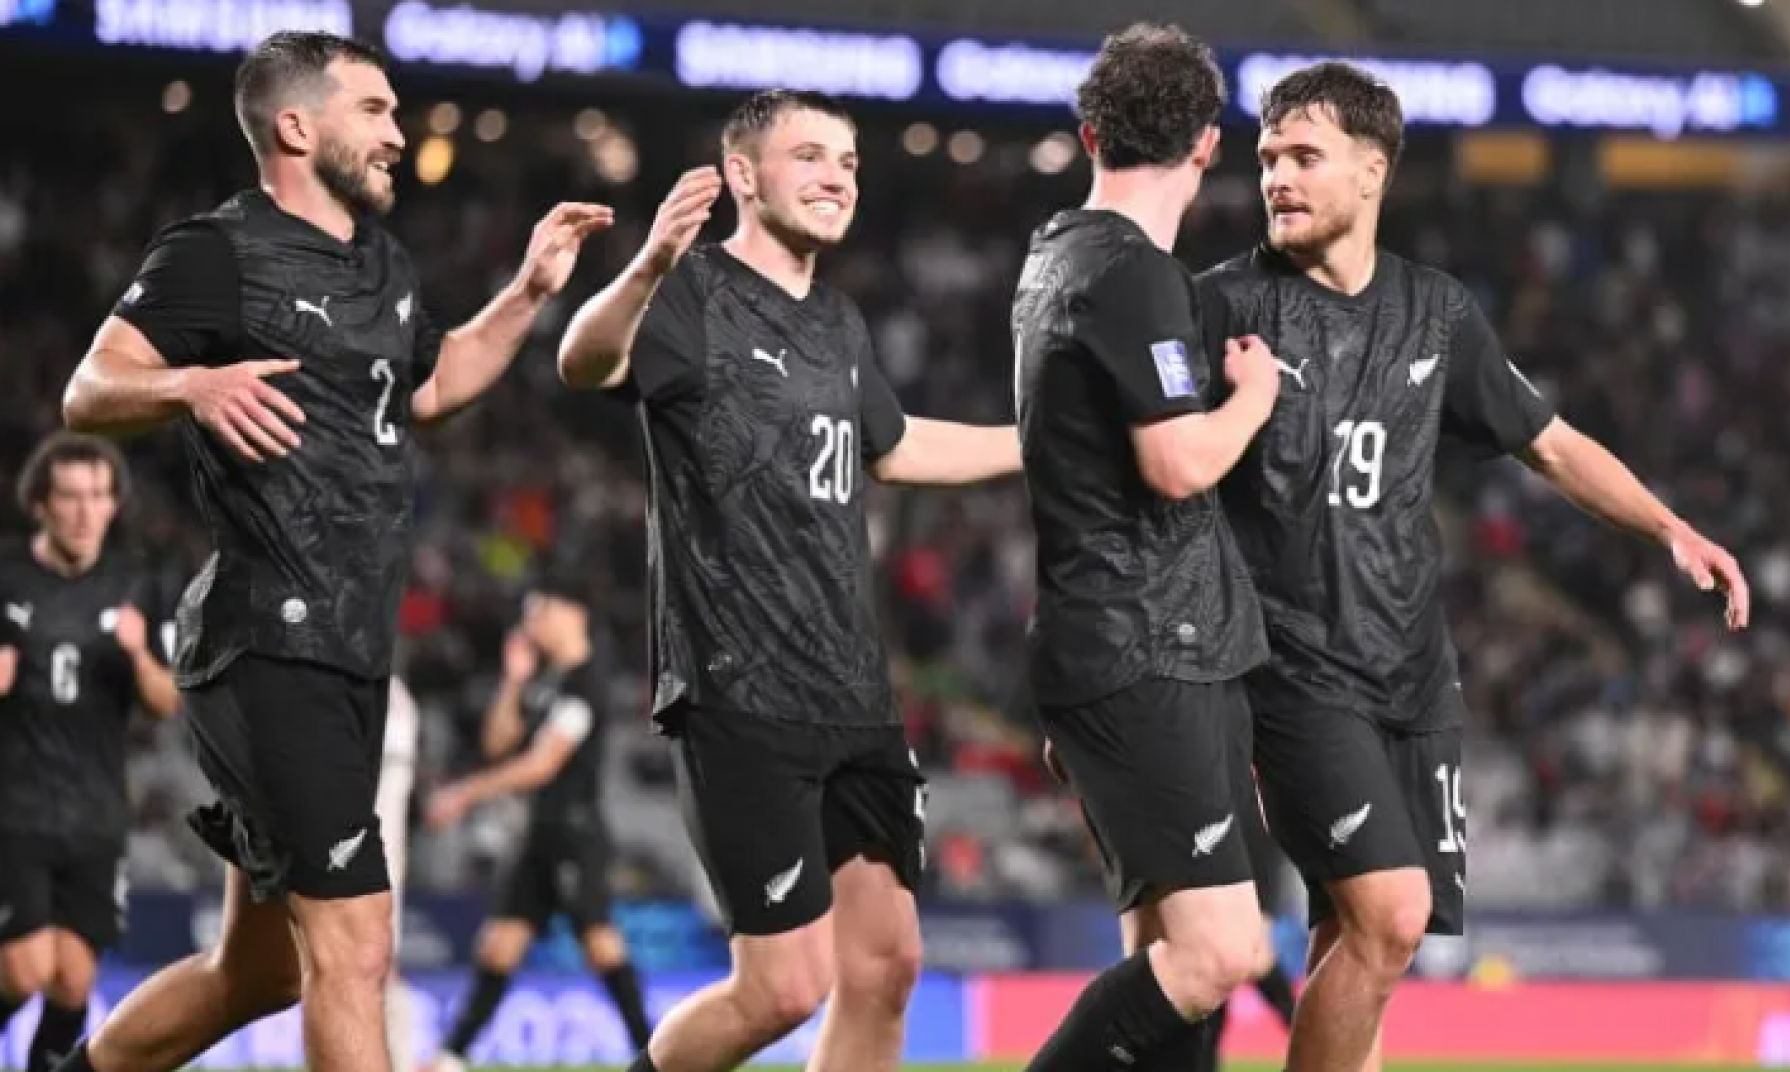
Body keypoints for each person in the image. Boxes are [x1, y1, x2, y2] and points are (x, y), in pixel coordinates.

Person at [54, 30, 610, 1072]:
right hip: (269, 639)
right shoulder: (216, 251)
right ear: (296, 127)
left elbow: (433, 387)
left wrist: (531, 292)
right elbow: (90, 388)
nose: (398, 133)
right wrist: (190, 384)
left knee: (259, 971)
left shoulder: (381, 262)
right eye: (376, 110)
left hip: (352, 649)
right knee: (355, 945)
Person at [1195, 62, 1752, 1072]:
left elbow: (1550, 443)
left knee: (1357, 939)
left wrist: (1669, 526)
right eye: (1268, 156)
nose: (1275, 175)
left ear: (1373, 171)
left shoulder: (1437, 311)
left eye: (1304, 156)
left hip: (1416, 681)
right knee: (1392, 916)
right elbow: (1144, 466)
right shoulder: (1221, 308)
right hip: (1292, 674)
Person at [559, 88, 1020, 1072]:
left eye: (847, 162)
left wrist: (1038, 445)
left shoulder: (840, 320)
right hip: (742, 689)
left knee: (888, 963)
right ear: (743, 174)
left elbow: (894, 446)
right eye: (809, 156)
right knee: (781, 989)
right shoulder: (692, 291)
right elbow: (583, 361)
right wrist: (648, 263)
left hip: (854, 692)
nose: (835, 177)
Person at [1010, 23, 1283, 1072]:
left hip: (1123, 642)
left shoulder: (1051, 258)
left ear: (1090, 135)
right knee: (1221, 952)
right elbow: (1177, 463)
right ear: (1208, 144)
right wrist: (1252, 395)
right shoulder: (1133, 273)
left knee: (1171, 968)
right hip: (1146, 650)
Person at [0, 433, 179, 1072]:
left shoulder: (137, 583)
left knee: (72, 983)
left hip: (96, 813)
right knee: (25, 971)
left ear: (113, 504)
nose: (85, 512)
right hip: (15, 808)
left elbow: (166, 702)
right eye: (71, 497)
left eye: (98, 496)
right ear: (40, 505)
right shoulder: (6, 576)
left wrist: (138, 656)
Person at [422, 575, 652, 1069]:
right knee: (499, 945)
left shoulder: (587, 682)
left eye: (539, 611)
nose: (530, 624)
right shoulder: (545, 682)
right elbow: (497, 744)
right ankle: (452, 1057)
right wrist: (513, 678)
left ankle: (653, 1052)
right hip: (536, 834)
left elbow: (541, 765)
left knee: (599, 943)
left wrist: (465, 792)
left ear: (571, 613)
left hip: (575, 833)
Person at [380, 673, 422, 1072]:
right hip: (362, 851)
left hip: (374, 855)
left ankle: (402, 1062)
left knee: (378, 964)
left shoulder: (392, 696)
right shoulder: (395, 695)